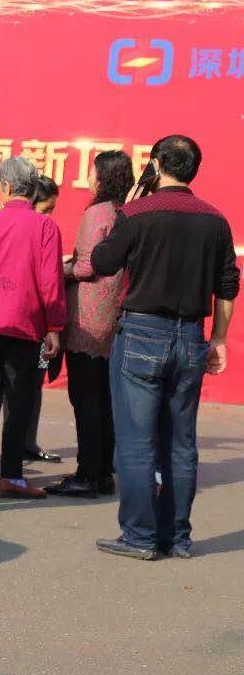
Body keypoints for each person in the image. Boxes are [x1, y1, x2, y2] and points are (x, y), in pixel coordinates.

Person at [91, 134, 237, 560]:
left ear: (155, 163)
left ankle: (138, 536)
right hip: (191, 334)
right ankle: (177, 537)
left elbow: (103, 263)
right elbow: (228, 284)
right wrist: (220, 339)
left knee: (136, 442)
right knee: (181, 442)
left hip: (140, 332)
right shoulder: (215, 219)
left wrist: (127, 208)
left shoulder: (137, 213)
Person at [0, 157, 66, 499]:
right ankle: (12, 476)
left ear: (4, 187)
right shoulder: (45, 227)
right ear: (33, 189)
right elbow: (51, 281)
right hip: (25, 324)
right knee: (19, 400)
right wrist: (54, 325)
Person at [45, 151, 134, 499]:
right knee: (104, 397)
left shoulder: (98, 213)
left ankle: (87, 473)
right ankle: (102, 471)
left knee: (84, 397)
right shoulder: (126, 211)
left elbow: (86, 267)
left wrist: (57, 270)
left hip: (87, 317)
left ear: (102, 177)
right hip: (113, 315)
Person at [19, 175, 64, 465]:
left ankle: (27, 443)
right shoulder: (26, 231)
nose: (49, 216)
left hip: (36, 324)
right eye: (46, 209)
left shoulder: (46, 229)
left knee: (33, 384)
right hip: (23, 322)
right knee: (6, 387)